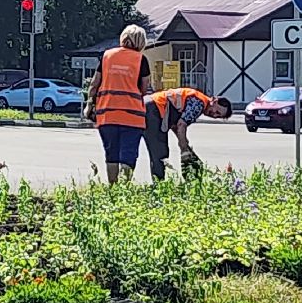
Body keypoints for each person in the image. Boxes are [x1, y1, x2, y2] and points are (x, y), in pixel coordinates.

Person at [84, 24, 152, 184]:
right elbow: (144, 88)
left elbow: (94, 84)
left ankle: (113, 188)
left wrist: (89, 105)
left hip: (107, 115)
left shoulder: (107, 56)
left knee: (111, 153)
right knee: (128, 153)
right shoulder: (141, 60)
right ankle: (124, 188)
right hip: (132, 117)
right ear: (141, 42)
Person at [143, 87, 233, 181]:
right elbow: (181, 125)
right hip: (154, 109)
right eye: (217, 111)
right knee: (160, 154)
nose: (214, 115)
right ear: (214, 101)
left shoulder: (197, 97)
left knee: (141, 147)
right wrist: (184, 150)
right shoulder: (199, 104)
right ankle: (158, 186)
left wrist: (185, 144)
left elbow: (175, 125)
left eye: (218, 116)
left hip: (147, 103)